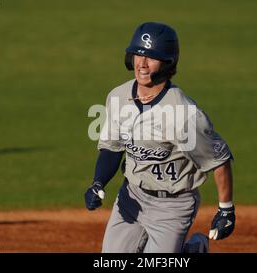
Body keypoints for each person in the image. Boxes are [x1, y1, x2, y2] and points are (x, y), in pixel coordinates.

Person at [85, 22, 235, 253]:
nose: (142, 64)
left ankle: (194, 250)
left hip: (173, 206)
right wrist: (97, 183)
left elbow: (218, 159)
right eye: (138, 54)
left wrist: (226, 209)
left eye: (151, 58)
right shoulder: (118, 96)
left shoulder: (183, 114)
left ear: (168, 64)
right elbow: (112, 148)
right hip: (131, 197)